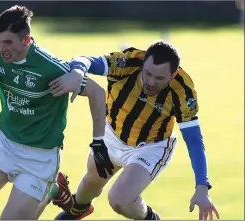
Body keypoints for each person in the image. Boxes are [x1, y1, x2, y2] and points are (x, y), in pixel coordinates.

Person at [0, 5, 107, 220]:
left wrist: (98, 142)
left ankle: (51, 187)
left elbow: (97, 93)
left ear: (26, 40)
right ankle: (53, 188)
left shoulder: (51, 67)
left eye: (8, 42)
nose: (1, 48)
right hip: (3, 144)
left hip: (39, 159)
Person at [50, 40, 220, 220]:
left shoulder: (183, 90)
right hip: (112, 133)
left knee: (119, 199)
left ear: (173, 74)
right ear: (144, 62)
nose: (151, 82)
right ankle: (78, 211)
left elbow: (194, 139)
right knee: (89, 184)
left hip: (151, 146)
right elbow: (85, 60)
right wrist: (78, 71)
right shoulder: (127, 64)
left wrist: (202, 186)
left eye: (160, 78)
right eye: (148, 74)